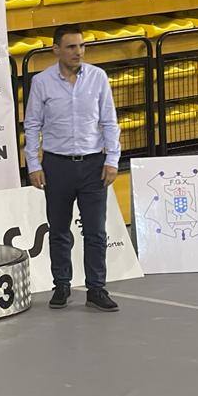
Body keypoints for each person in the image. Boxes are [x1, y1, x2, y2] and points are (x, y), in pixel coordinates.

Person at [24, 23, 121, 312]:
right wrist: (33, 164)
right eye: (71, 47)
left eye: (81, 46)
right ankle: (62, 285)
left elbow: (109, 121)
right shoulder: (41, 82)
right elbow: (32, 125)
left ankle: (96, 288)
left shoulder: (98, 78)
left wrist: (112, 160)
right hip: (56, 165)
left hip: (93, 164)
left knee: (95, 232)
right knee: (59, 230)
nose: (78, 52)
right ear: (56, 50)